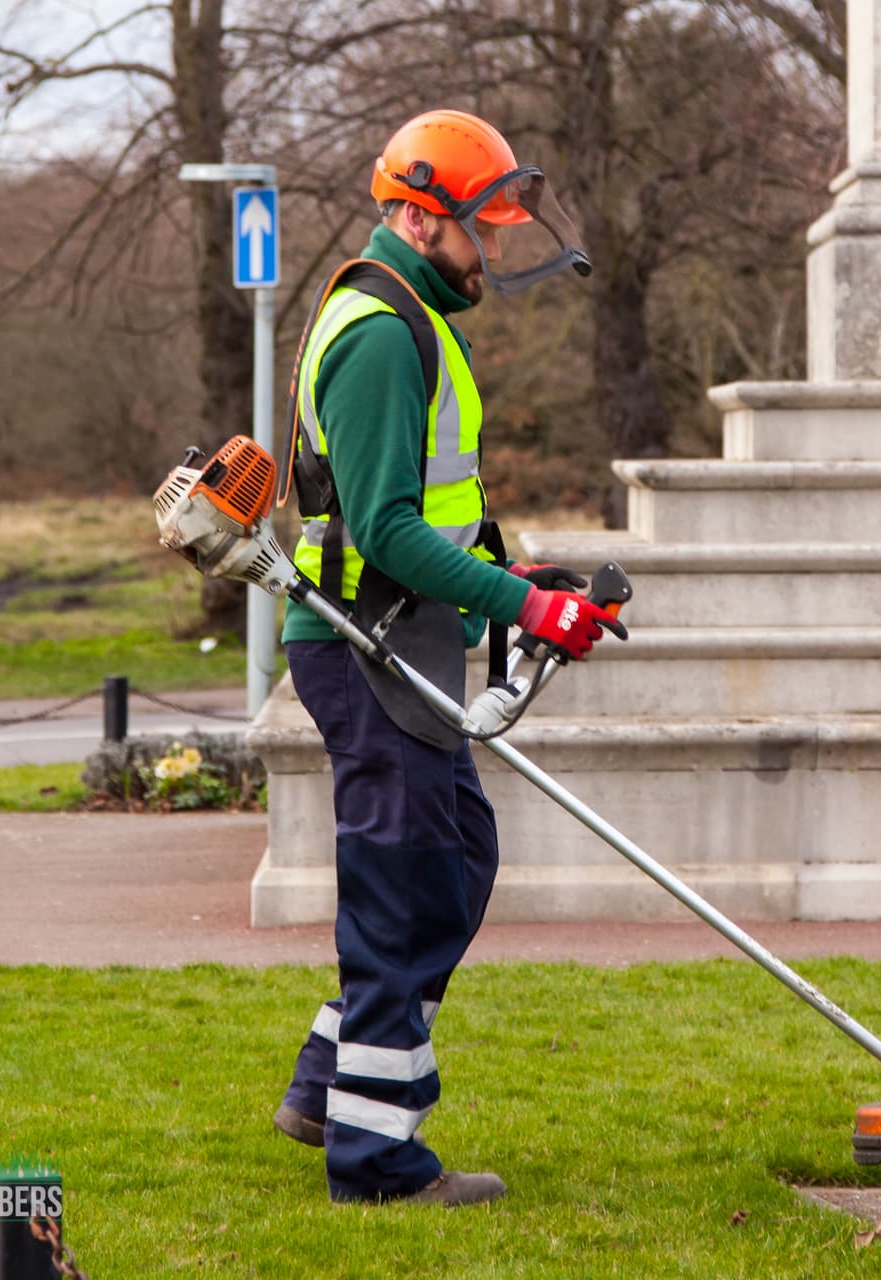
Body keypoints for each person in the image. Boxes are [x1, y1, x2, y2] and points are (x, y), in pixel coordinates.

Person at [269, 109, 623, 1207]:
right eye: (483, 225)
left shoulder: (414, 314)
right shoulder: (380, 333)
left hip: (402, 640)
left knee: (456, 861)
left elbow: (447, 510)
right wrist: (520, 602)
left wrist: (532, 590)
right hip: (365, 644)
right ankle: (375, 1160)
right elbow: (384, 528)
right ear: (423, 219)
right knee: (403, 886)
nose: (498, 246)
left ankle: (331, 1077)